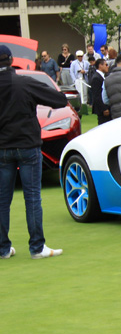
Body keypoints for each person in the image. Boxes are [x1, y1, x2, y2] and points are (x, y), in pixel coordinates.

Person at [0, 44, 68, 259]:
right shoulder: (24, 82)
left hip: (2, 147)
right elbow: (59, 100)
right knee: (32, 198)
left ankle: (2, 248)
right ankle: (37, 247)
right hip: (27, 145)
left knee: (2, 200)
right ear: (11, 61)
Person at [89, 58, 110, 123]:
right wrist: (104, 108)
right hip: (102, 109)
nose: (107, 67)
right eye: (106, 65)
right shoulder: (96, 78)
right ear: (100, 65)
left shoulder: (101, 76)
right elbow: (97, 95)